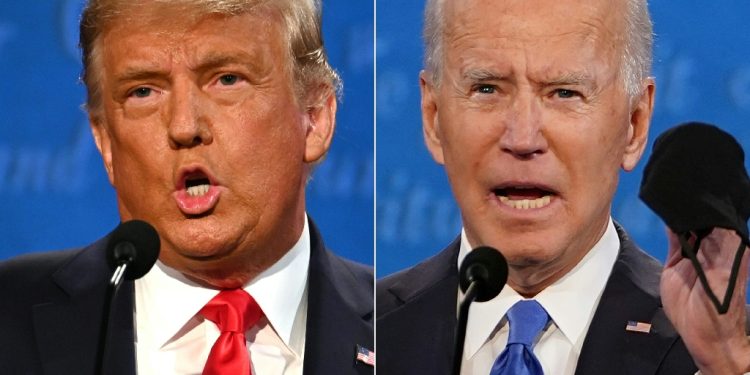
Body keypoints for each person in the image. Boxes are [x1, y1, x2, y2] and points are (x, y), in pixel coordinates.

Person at [376, 0, 750, 374]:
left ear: (634, 124)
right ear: (433, 116)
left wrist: (724, 366)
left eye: (565, 93)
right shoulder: (365, 334)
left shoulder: (721, 357)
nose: (522, 138)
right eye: (487, 88)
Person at [0, 1, 373, 374]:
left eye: (227, 79)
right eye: (143, 91)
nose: (183, 126)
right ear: (106, 144)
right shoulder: (9, 318)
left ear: (314, 118)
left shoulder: (399, 327)